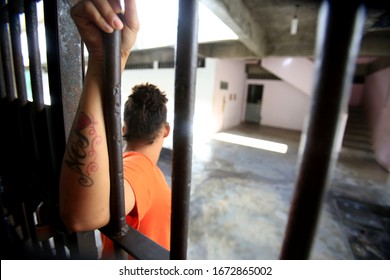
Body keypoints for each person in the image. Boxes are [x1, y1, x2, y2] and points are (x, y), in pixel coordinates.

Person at [59, 0, 171, 258]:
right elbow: (82, 216)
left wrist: (105, 59)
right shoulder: (140, 168)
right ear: (165, 130)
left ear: (123, 128)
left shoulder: (119, 166)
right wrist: (101, 59)